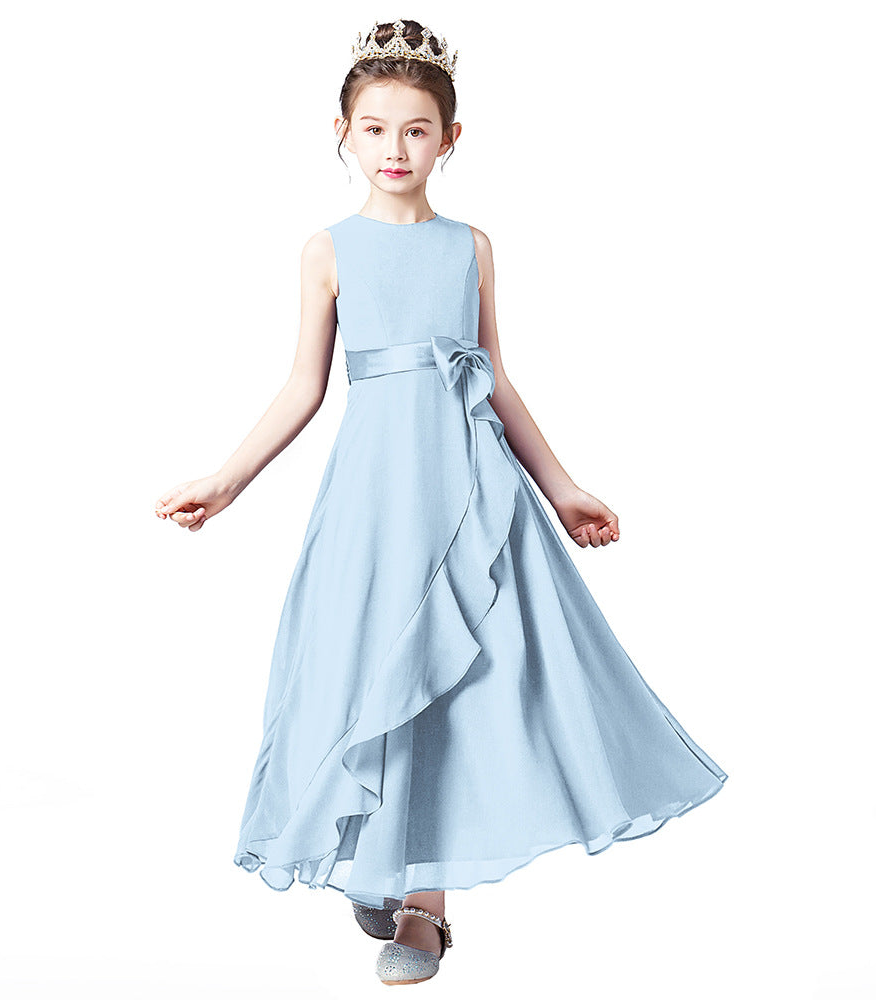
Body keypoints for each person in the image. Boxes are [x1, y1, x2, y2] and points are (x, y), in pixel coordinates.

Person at [154, 17, 728, 987]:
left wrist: (561, 487)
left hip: (471, 493)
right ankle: (371, 855)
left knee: (464, 681)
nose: (395, 148)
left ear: (450, 139)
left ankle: (424, 909)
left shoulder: (471, 246)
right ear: (342, 133)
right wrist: (225, 478)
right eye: (375, 128)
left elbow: (495, 378)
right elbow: (302, 386)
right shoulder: (327, 250)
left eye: (416, 130)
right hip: (375, 496)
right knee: (364, 662)